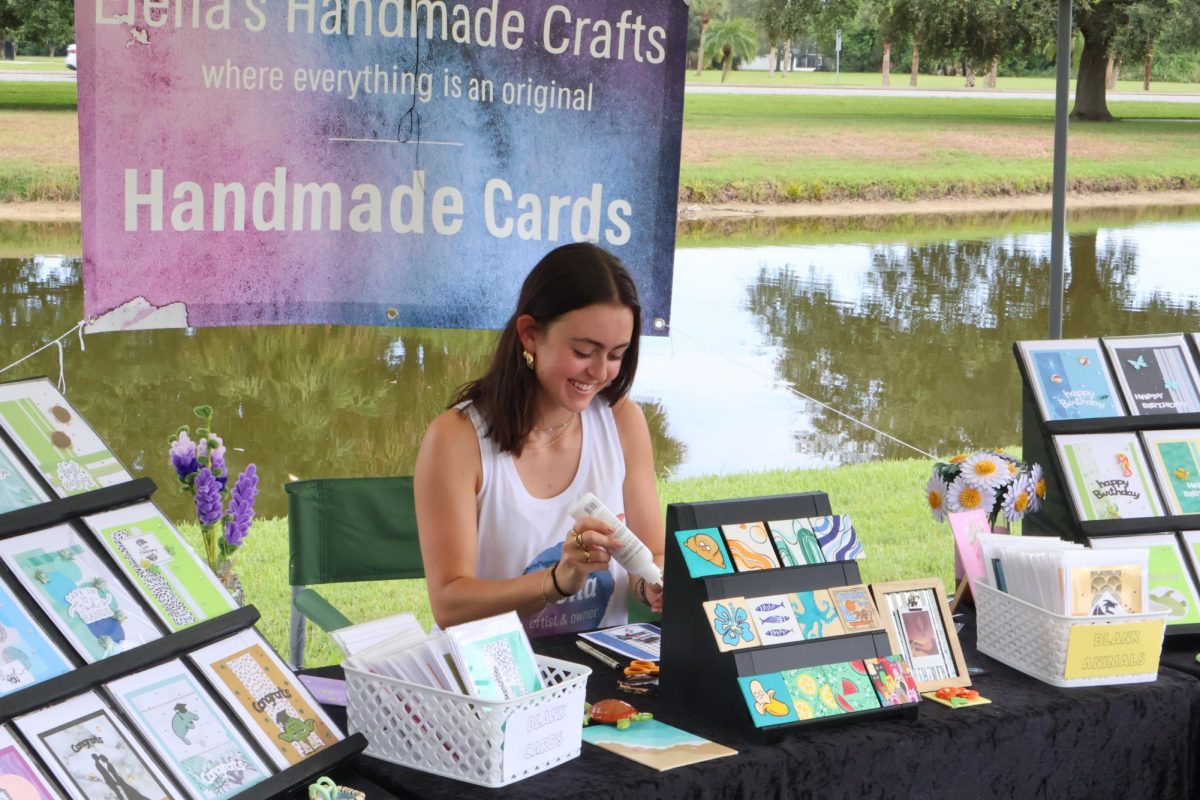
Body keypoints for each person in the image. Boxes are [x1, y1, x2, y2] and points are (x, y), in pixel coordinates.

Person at [415, 242, 664, 636]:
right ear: (530, 334)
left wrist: (650, 583)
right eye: (584, 351)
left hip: (598, 677)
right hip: (492, 684)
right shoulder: (457, 438)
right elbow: (450, 603)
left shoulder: (623, 421)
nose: (600, 373)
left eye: (617, 355)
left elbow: (653, 555)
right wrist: (558, 580)